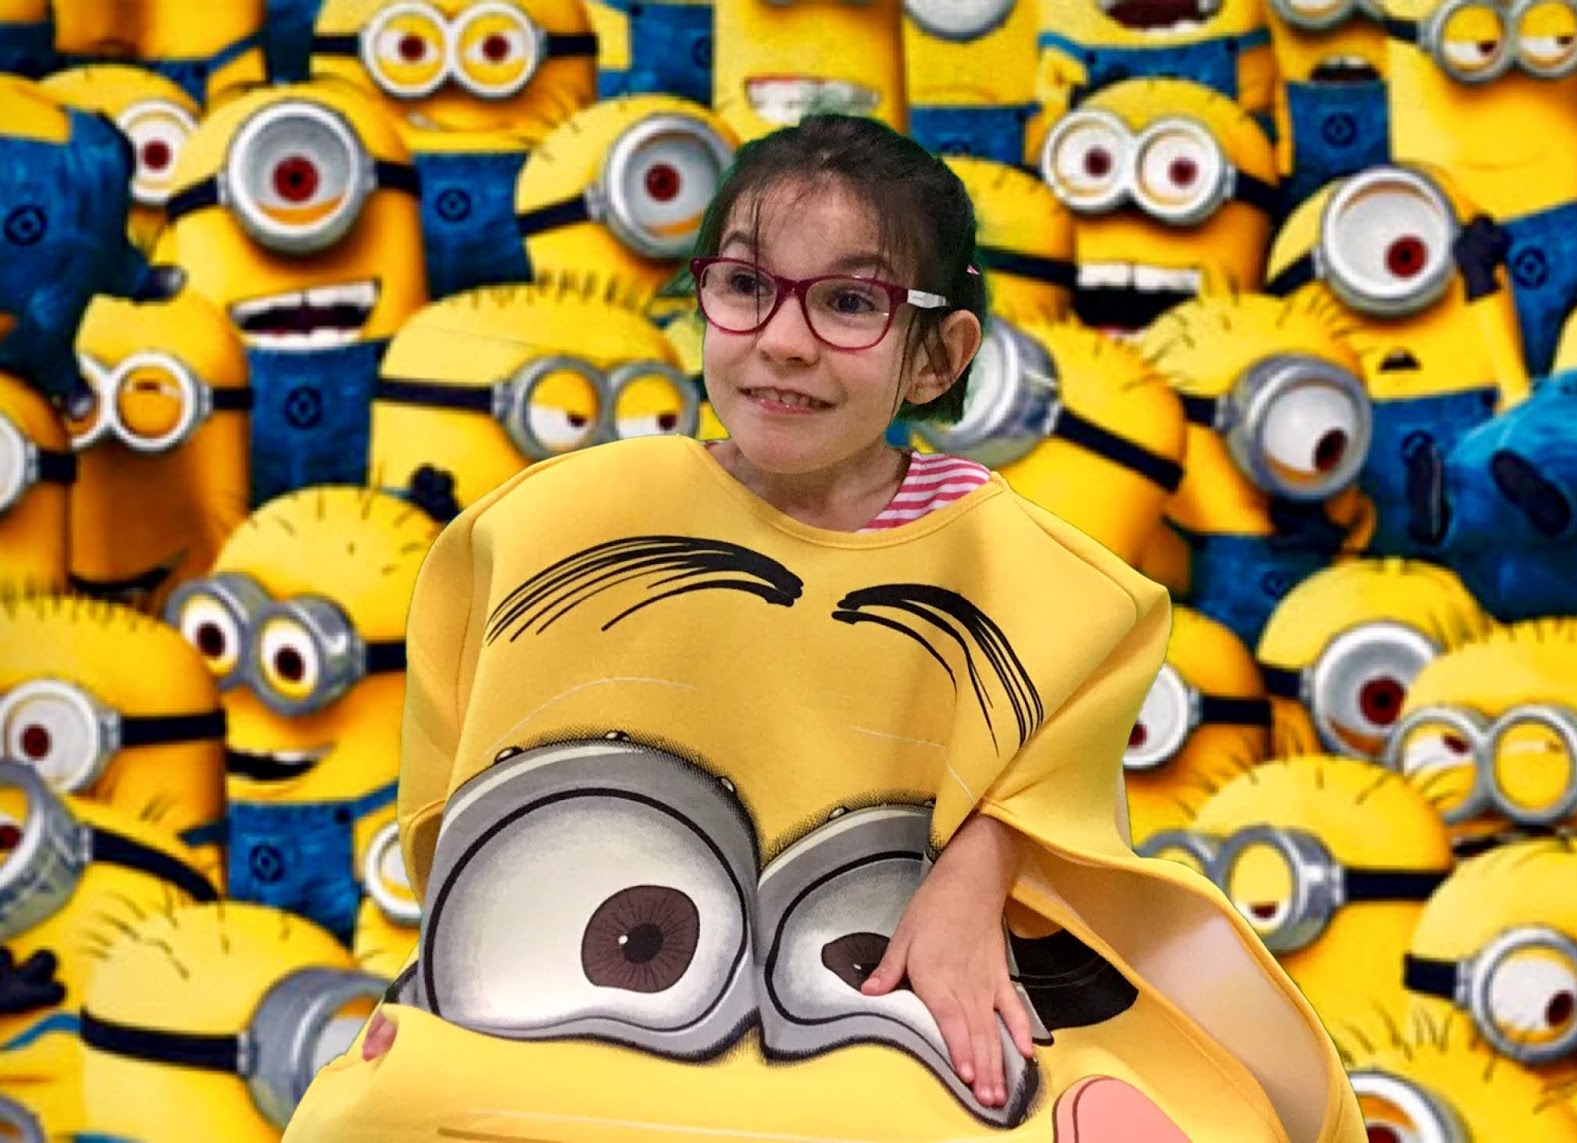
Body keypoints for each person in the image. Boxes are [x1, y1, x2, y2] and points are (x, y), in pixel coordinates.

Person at [287, 114, 1363, 1142]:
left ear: (937, 355)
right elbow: (469, 795)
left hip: (875, 989)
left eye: (849, 303)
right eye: (746, 287)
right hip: (590, 985)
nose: (783, 342)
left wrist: (975, 874)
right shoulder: (556, 521)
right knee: (373, 1113)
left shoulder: (1038, 576)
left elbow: (1058, 787)